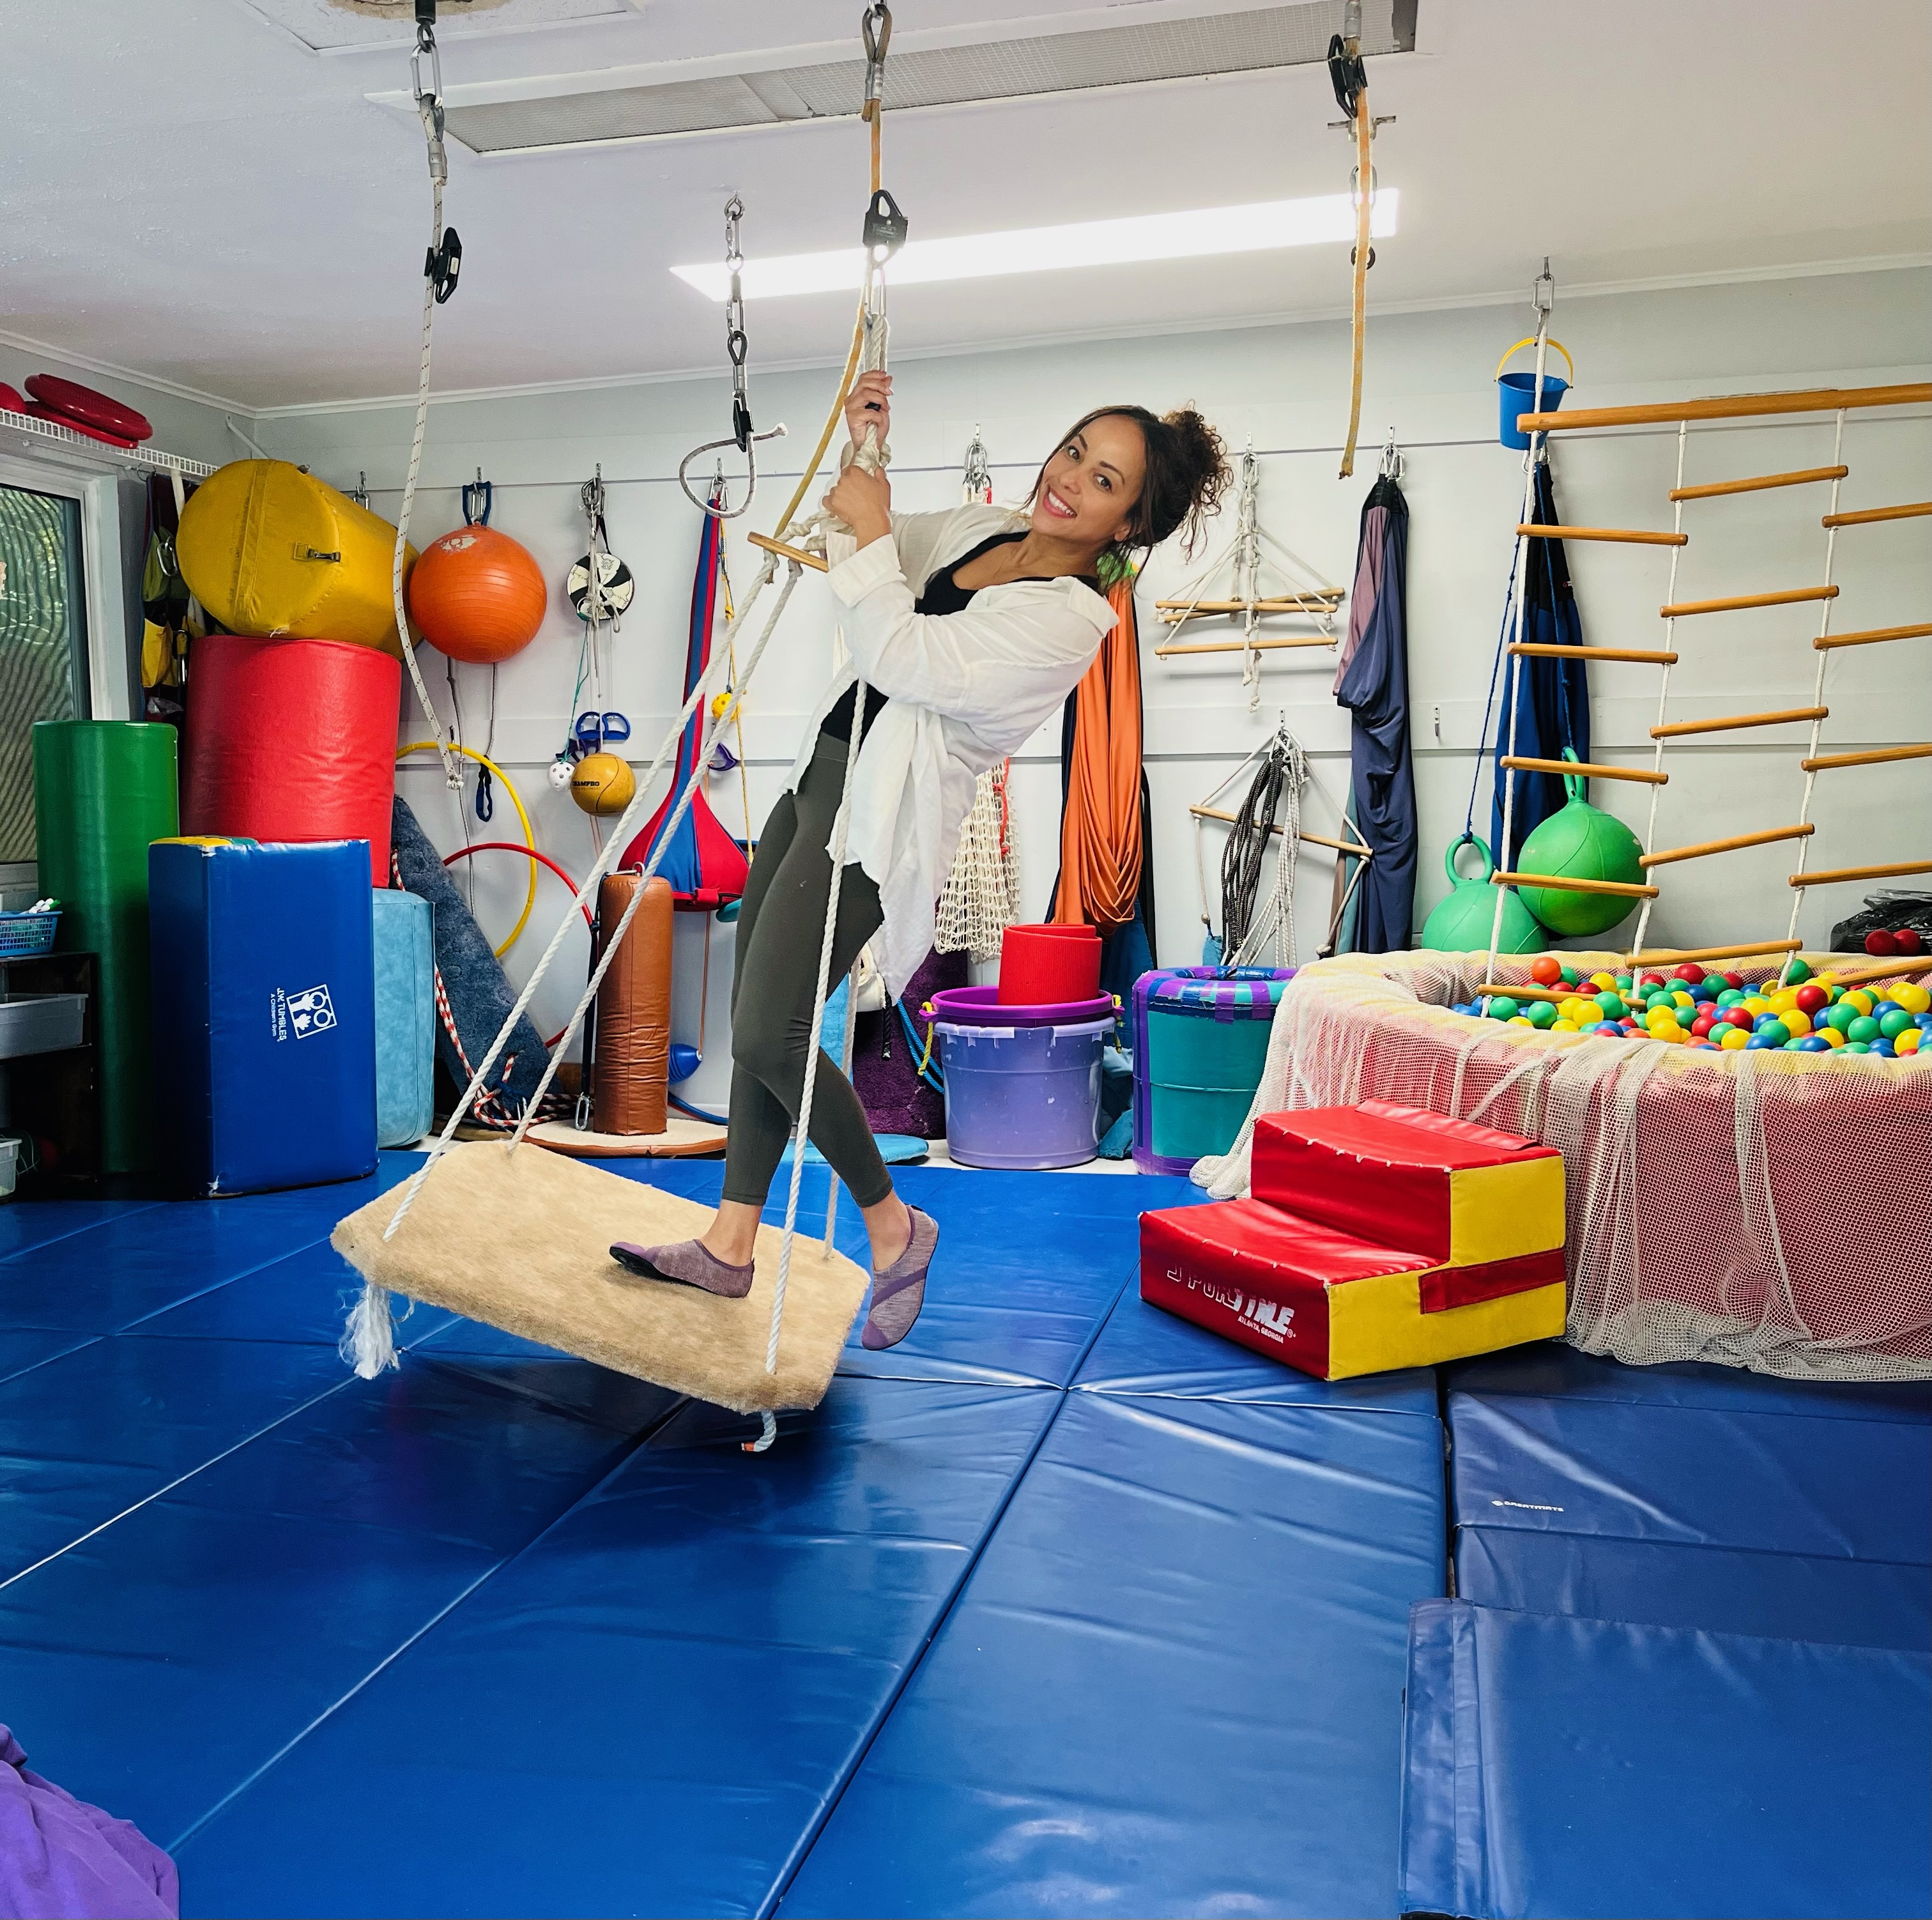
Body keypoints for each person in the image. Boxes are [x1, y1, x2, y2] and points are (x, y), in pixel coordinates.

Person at [615, 376, 1229, 1348]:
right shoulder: (988, 528)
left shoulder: (1070, 620)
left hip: (873, 821)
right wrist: (866, 461)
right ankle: (731, 1242)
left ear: (1130, 521)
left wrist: (867, 532)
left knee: (774, 1035)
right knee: (753, 1013)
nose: (1068, 477)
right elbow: (868, 553)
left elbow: (903, 650)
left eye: (1102, 477)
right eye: (1073, 447)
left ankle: (894, 1225)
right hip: (820, 772)